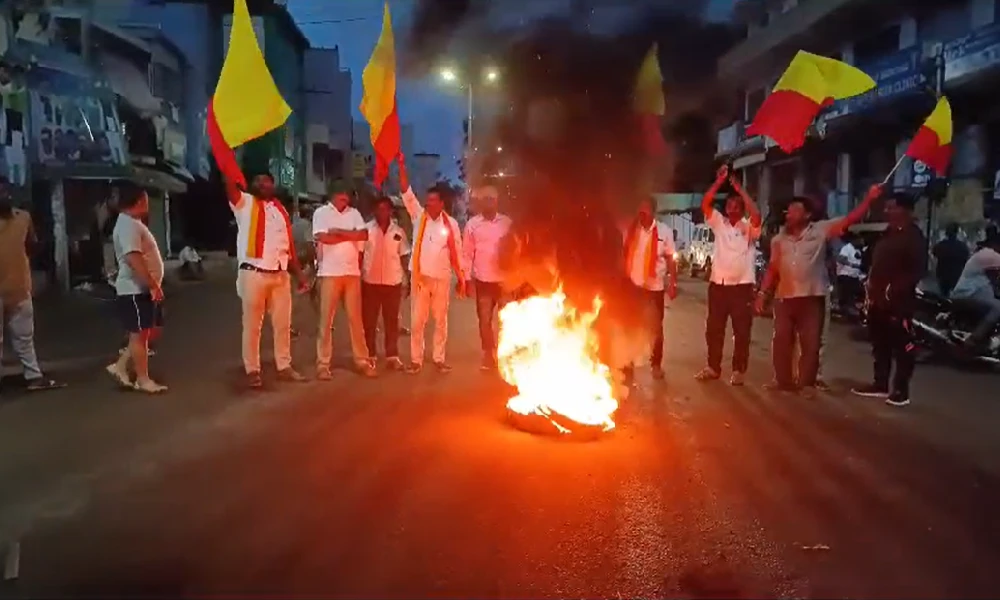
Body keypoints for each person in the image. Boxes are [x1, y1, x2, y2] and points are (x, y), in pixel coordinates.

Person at [758, 185, 882, 394]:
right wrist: (763, 294)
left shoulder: (821, 230)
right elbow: (773, 268)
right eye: (789, 210)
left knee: (811, 344)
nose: (790, 214)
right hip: (785, 297)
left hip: (812, 296)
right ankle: (782, 381)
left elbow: (849, 219)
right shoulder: (779, 239)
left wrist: (868, 199)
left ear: (807, 215)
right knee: (781, 340)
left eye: (795, 210)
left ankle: (806, 383)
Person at [225, 171, 309, 389]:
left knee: (283, 325)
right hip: (254, 273)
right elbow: (231, 189)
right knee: (253, 326)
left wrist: (299, 275)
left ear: (273, 184)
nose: (263, 184)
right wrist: (227, 166)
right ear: (252, 185)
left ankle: (284, 366)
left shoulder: (280, 210)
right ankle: (252, 370)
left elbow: (287, 247)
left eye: (267, 181)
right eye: (258, 181)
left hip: (280, 275)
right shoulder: (246, 204)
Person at [851, 192, 926, 407]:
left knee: (902, 346)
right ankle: (880, 383)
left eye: (891, 207)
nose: (887, 211)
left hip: (898, 302)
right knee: (880, 344)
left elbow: (916, 270)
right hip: (877, 300)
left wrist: (893, 290)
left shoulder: (913, 237)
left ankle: (901, 390)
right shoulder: (887, 234)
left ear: (905, 210)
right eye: (886, 207)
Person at [695, 164, 762, 386]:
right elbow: (705, 203)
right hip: (718, 285)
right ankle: (713, 367)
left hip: (742, 287)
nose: (731, 208)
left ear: (742, 208)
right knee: (714, 329)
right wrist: (719, 182)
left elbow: (757, 215)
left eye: (736, 205)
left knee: (741, 331)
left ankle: (738, 370)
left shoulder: (748, 228)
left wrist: (739, 188)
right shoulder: (719, 223)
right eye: (729, 204)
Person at [399, 157, 467, 373]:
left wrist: (462, 279)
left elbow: (457, 251)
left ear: (441, 203)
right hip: (421, 279)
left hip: (442, 279)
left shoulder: (452, 224)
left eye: (432, 201)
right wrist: (401, 165)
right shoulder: (419, 217)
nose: (428, 204)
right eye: (427, 201)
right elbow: (406, 192)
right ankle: (416, 360)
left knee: (440, 321)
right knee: (417, 322)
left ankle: (439, 358)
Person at [0, 176, 62, 392]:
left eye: (5, 191)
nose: (4, 196)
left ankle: (34, 376)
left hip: (19, 288)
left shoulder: (23, 218)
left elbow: (32, 244)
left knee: (24, 338)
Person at [105, 187, 168, 393]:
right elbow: (133, 258)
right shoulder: (127, 226)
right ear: (140, 201)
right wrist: (152, 284)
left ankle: (121, 366)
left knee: (146, 332)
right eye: (146, 200)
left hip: (139, 288)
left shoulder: (132, 224)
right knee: (139, 335)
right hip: (134, 289)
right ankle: (143, 379)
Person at [312, 181, 374, 379]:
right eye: (341, 194)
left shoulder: (354, 213)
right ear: (333, 195)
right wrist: (351, 236)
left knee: (356, 320)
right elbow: (323, 238)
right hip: (329, 273)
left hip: (352, 274)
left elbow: (364, 235)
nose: (344, 198)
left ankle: (362, 360)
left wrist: (339, 232)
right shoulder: (321, 213)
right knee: (326, 321)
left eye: (347, 195)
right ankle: (323, 364)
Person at [623, 196, 678, 381]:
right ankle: (626, 363)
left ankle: (656, 365)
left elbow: (671, 258)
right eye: (640, 209)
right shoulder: (631, 231)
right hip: (633, 286)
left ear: (653, 211)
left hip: (654, 287)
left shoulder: (664, 231)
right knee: (629, 325)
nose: (642, 212)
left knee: (655, 328)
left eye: (645, 209)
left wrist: (672, 282)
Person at [463, 184, 513, 371]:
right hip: (483, 281)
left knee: (507, 319)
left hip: (504, 282)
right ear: (480, 203)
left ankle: (506, 354)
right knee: (484, 321)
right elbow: (466, 254)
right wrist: (467, 281)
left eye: (491, 199)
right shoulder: (472, 225)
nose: (488, 203)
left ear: (496, 201)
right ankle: (488, 355)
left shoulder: (507, 223)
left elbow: (515, 250)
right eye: (484, 200)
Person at [362, 196, 411, 371]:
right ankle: (370, 355)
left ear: (391, 211)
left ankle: (392, 355)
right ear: (374, 210)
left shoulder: (398, 232)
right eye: (379, 209)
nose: (382, 212)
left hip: (393, 283)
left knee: (391, 322)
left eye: (385, 209)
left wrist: (408, 279)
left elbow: (404, 256)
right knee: (369, 321)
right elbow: (360, 255)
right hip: (370, 282)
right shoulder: (366, 230)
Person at [948, 228, 1000, 351]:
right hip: (967, 294)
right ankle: (974, 339)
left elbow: (995, 280)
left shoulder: (986, 255)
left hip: (969, 294)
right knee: (998, 308)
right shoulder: (990, 255)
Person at [932, 223, 969, 298]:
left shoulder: (941, 245)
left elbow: (934, 253)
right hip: (957, 274)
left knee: (943, 295)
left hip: (943, 274)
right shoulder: (962, 246)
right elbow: (965, 259)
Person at [835, 233, 864, 315]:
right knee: (847, 295)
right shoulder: (847, 248)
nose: (861, 242)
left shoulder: (859, 250)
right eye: (859, 240)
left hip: (855, 276)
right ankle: (845, 311)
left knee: (856, 294)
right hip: (845, 275)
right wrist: (852, 265)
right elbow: (841, 259)